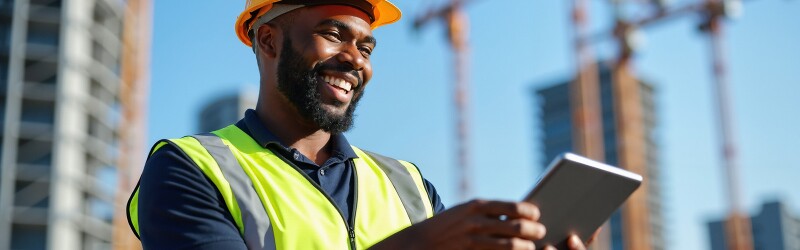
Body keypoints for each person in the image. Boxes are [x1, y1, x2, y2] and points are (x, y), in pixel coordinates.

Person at [127, 0, 592, 249]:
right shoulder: (192, 168)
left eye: (367, 48)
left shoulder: (407, 184)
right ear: (267, 40)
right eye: (333, 35)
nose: (354, 60)